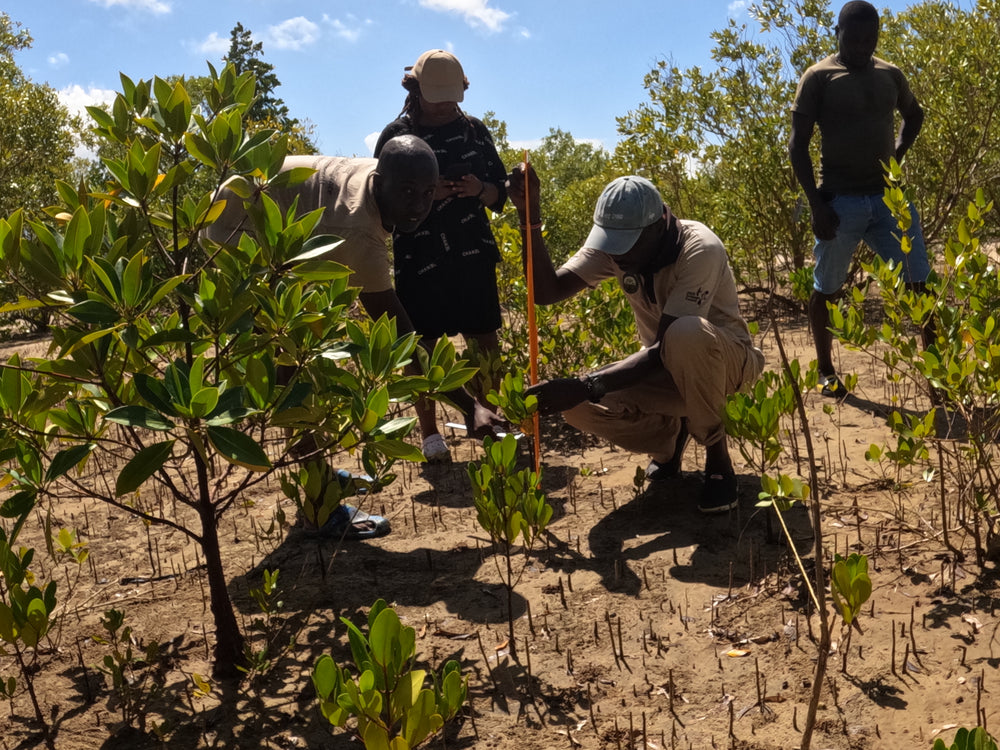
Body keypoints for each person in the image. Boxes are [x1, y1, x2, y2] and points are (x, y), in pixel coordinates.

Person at [205, 135, 504, 534]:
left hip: (274, 208)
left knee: (303, 350)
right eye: (408, 192)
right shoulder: (356, 233)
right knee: (290, 366)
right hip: (237, 225)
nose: (418, 205)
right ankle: (319, 503)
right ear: (381, 183)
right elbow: (398, 335)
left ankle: (320, 473)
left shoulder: (382, 180)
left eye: (427, 192)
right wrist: (468, 406)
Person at [506, 166, 765, 513]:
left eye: (626, 245)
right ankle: (668, 444)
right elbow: (546, 291)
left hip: (725, 364)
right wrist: (529, 216)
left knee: (685, 333)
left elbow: (665, 349)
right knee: (578, 408)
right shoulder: (614, 247)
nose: (618, 256)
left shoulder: (699, 247)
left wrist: (587, 384)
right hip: (661, 370)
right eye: (611, 244)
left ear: (658, 226)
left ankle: (717, 456)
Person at [789, 0, 931, 399]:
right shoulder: (819, 76)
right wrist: (816, 204)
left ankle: (941, 380)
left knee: (920, 282)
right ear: (838, 33)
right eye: (855, 39)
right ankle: (825, 368)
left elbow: (914, 115)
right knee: (827, 288)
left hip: (889, 199)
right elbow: (797, 146)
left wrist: (895, 160)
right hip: (839, 203)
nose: (863, 47)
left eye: (870, 39)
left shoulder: (891, 74)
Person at [373, 50, 509, 463]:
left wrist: (478, 190)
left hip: (473, 254)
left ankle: (493, 419)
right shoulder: (395, 136)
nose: (447, 105)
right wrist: (427, 197)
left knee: (485, 342)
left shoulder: (474, 131)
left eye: (453, 96)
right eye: (438, 97)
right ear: (415, 90)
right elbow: (377, 199)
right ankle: (430, 435)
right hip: (419, 257)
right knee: (421, 347)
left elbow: (502, 189)